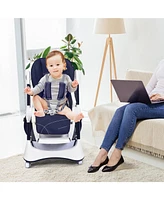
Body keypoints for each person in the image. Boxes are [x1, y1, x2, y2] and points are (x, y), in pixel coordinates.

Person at [88, 59, 164, 173]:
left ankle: (117, 152)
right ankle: (103, 153)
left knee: (131, 109)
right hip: (153, 101)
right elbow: (150, 86)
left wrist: (162, 96)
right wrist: (139, 96)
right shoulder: (162, 62)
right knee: (120, 110)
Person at [24, 50, 84, 122]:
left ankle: (74, 117)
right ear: (47, 68)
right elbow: (39, 87)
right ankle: (41, 111)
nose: (54, 67)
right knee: (35, 97)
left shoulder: (66, 78)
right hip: (46, 104)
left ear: (64, 65)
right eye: (51, 66)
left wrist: (73, 85)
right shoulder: (45, 78)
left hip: (61, 105)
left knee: (68, 111)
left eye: (58, 65)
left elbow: (70, 90)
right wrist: (31, 91)